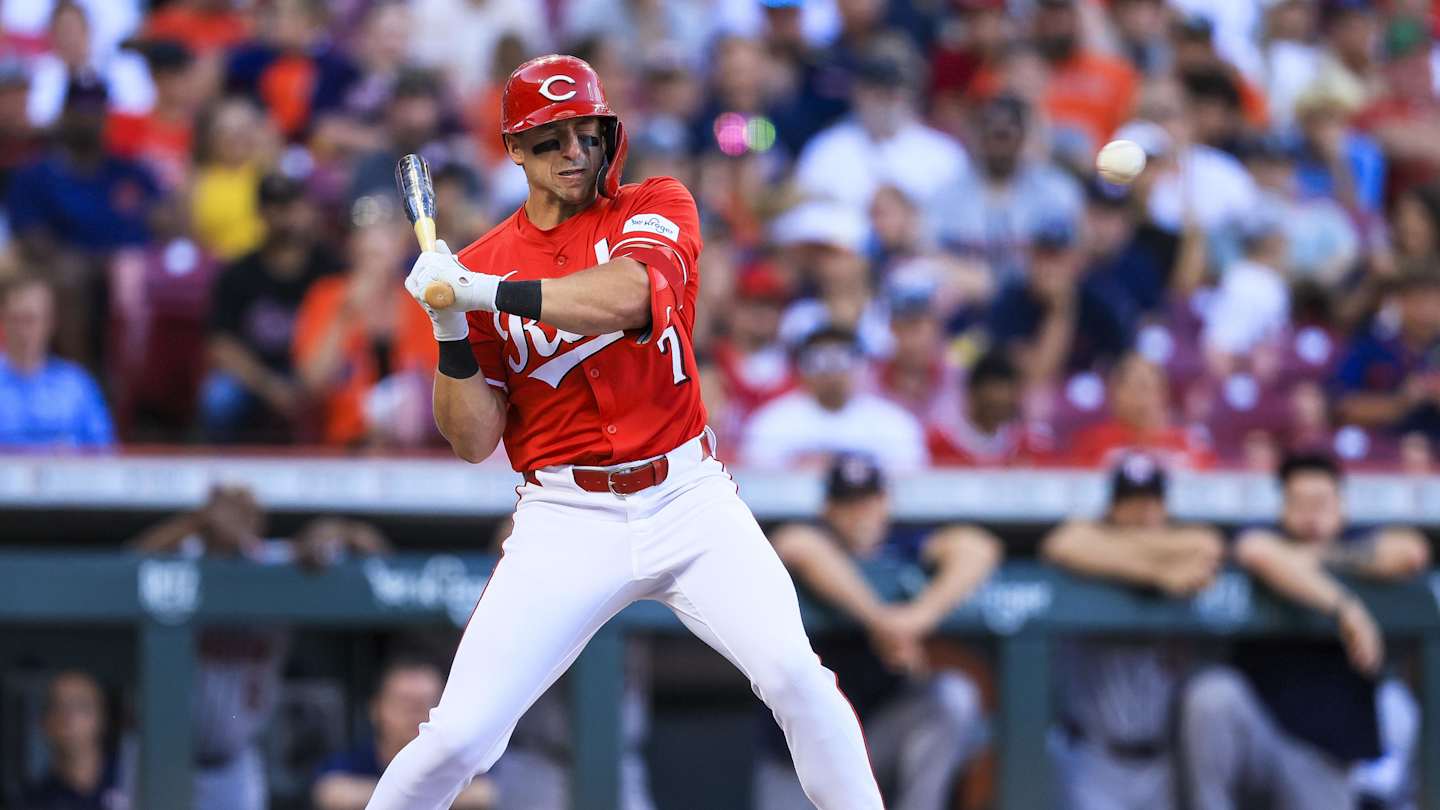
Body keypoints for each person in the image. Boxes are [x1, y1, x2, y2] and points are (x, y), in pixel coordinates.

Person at [366, 55, 887, 810]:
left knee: (795, 676)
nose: (574, 152)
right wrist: (452, 325)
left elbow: (632, 295)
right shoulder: (478, 266)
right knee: (459, 737)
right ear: (515, 151)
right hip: (566, 515)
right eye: (550, 140)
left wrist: (481, 292)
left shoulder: (656, 202)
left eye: (588, 132)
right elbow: (473, 438)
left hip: (688, 497)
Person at [1179, 452, 1431, 810]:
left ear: (1342, 504)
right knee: (1212, 695)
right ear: (1282, 504)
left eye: (1321, 502)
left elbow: (1411, 551)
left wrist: (1312, 558)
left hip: (1324, 749)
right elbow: (1257, 552)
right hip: (1259, 731)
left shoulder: (1359, 538)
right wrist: (1347, 608)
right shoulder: (1264, 534)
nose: (1311, 513)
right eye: (1299, 502)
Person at [756, 453, 997, 810]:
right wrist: (880, 621)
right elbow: (795, 544)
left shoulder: (901, 547)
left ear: (885, 502)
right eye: (848, 502)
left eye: (869, 500)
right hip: (801, 755)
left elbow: (978, 548)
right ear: (829, 509)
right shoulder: (818, 542)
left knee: (953, 697)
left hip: (877, 740)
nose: (860, 512)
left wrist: (916, 619)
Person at [131, 484, 391, 810]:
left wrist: (339, 531)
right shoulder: (184, 554)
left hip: (234, 762)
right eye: (228, 510)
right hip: (161, 755)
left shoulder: (275, 562)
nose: (235, 521)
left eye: (247, 513)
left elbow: (378, 554)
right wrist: (195, 523)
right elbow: (126, 568)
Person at [1041, 453, 1224, 810]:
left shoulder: (1187, 542)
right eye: (1131, 503)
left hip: (1164, 761)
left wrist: (1134, 553)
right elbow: (1062, 543)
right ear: (1112, 509)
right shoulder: (1085, 555)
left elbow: (1208, 544)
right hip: (1093, 758)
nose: (1142, 514)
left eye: (1151, 502)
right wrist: (1158, 573)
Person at [202, 172, 339, 443]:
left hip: (316, 372)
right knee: (219, 396)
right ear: (261, 213)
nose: (285, 216)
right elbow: (221, 344)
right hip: (257, 376)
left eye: (292, 205)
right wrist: (269, 386)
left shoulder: (330, 268)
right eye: (275, 206)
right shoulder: (239, 273)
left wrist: (308, 382)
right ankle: (224, 472)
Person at [313, 658, 494, 809]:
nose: (416, 714)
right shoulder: (355, 758)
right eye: (405, 703)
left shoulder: (461, 757)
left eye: (428, 703)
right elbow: (332, 792)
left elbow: (483, 793)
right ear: (377, 708)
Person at [742, 326, 929, 472]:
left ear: (860, 366)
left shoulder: (894, 423)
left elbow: (909, 484)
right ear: (802, 368)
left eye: (841, 360)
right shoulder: (772, 422)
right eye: (820, 362)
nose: (832, 373)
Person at [0, 275, 114, 447]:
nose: (23, 331)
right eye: (15, 319)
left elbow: (106, 454)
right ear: (3, 320)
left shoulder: (77, 385)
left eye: (31, 319)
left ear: (50, 322)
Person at [22, 671, 131, 810]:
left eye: (81, 706)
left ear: (102, 718)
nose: (68, 718)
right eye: (58, 707)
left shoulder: (132, 780)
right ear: (44, 722)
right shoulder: (31, 801)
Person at [926, 349, 1050, 466]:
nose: (1001, 402)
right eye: (992, 404)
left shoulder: (1028, 446)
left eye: (1006, 402)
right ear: (973, 393)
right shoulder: (939, 446)